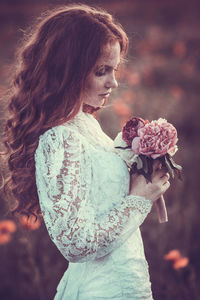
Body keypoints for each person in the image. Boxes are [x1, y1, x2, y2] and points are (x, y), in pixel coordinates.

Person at [3, 4, 170, 299]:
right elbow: (76, 244)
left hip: (127, 280)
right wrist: (139, 198)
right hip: (102, 290)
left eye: (113, 69)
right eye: (100, 71)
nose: (113, 82)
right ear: (67, 71)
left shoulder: (85, 123)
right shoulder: (58, 138)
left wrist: (140, 156)